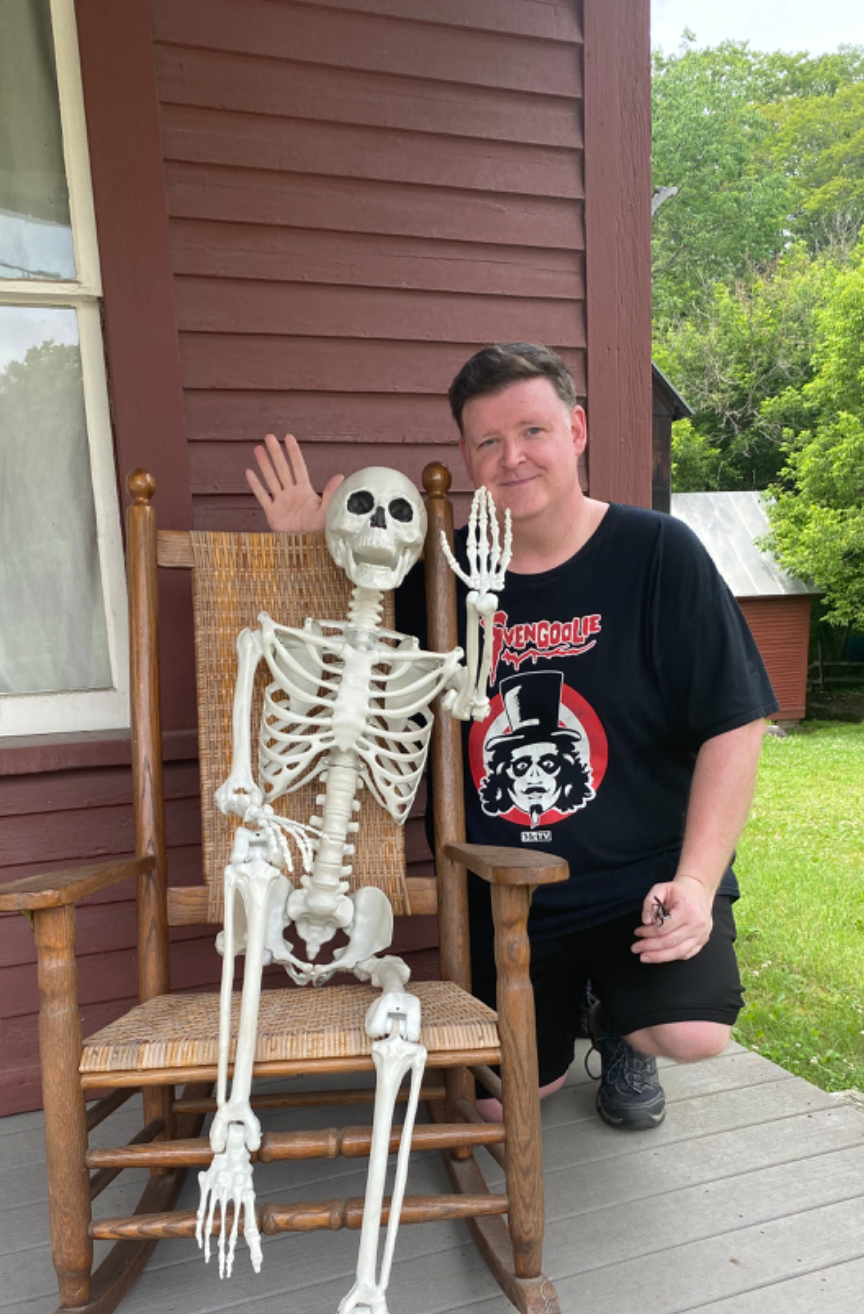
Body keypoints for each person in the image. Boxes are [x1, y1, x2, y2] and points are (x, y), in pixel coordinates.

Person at [243, 342, 778, 1131]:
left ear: (577, 430)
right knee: (504, 1096)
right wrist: (306, 554)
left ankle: (623, 1021)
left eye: (532, 431)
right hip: (504, 892)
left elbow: (735, 722)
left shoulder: (659, 554)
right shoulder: (437, 571)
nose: (512, 457)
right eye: (488, 441)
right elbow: (346, 663)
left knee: (689, 1031)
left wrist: (696, 883)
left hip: (639, 879)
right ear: (466, 456)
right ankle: (587, 1011)